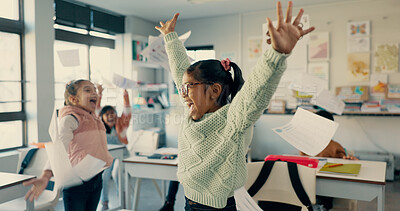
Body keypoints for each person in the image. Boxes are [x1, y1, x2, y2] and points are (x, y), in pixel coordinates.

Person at [155, 1, 315, 210]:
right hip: (188, 202)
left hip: (216, 207)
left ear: (214, 91)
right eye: (182, 89)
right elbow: (180, 71)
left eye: (188, 88)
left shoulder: (233, 119)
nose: (182, 94)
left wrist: (276, 53)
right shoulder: (194, 110)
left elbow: (254, 94)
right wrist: (170, 38)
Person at [23, 79, 114, 211]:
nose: (94, 93)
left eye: (94, 90)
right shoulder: (70, 119)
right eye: (88, 90)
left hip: (96, 179)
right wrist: (45, 176)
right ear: (74, 99)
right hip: (77, 183)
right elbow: (58, 148)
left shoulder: (93, 117)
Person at [300, 110, 358, 211]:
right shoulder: (306, 144)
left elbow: (344, 161)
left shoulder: (335, 146)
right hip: (310, 179)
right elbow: (302, 161)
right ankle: (313, 205)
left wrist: (347, 159)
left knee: (324, 192)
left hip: (327, 181)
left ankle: (321, 206)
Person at [96, 85, 132, 211]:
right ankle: (104, 202)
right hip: (108, 155)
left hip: (123, 154)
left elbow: (127, 111)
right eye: (107, 114)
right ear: (102, 118)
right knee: (104, 176)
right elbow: (96, 111)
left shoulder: (121, 124)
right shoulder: (99, 126)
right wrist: (99, 94)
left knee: (118, 174)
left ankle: (123, 201)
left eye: (113, 113)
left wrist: (125, 95)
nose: (111, 116)